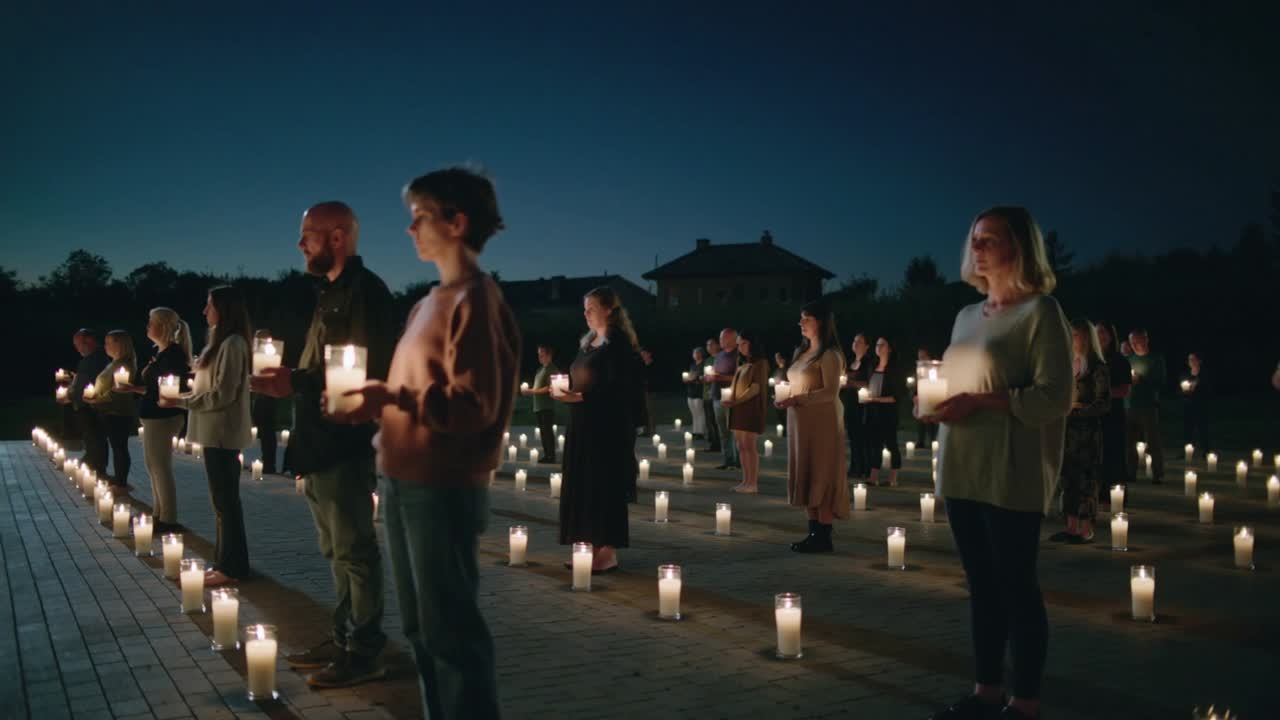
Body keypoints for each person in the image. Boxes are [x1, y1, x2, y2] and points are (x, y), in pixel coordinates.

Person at [331, 168, 514, 719]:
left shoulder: (477, 302)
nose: (410, 230)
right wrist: (375, 405)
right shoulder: (429, 301)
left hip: (443, 486)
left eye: (420, 217)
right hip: (406, 478)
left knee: (450, 630)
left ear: (456, 222)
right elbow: (412, 392)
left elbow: (473, 405)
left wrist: (391, 396)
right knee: (420, 628)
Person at [925, 206, 1071, 720]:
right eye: (974, 239)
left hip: (1011, 467)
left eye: (990, 239)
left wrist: (982, 402)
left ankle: (1025, 701)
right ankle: (986, 690)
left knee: (1016, 585)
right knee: (980, 585)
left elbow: (1055, 395)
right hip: (963, 463)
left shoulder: (1041, 313)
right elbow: (958, 382)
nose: (978, 248)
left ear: (1020, 247)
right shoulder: (965, 316)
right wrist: (937, 403)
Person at [250, 201, 398, 686]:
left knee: (355, 550)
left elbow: (363, 370)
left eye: (307, 234)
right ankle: (344, 636)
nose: (300, 244)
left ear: (337, 237)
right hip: (317, 441)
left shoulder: (366, 293)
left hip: (344, 442)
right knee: (336, 550)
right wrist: (291, 381)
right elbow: (323, 370)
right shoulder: (328, 293)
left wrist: (296, 379)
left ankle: (366, 650)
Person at [161, 286, 254, 588]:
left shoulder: (233, 344)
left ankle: (233, 567)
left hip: (223, 433)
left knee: (226, 501)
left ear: (223, 309)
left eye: (209, 304)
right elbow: (206, 390)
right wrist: (183, 396)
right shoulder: (220, 342)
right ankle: (225, 563)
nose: (204, 311)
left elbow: (222, 394)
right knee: (222, 501)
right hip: (214, 433)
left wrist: (182, 401)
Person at [553, 286, 643, 572]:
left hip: (607, 427)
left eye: (591, 308)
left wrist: (581, 396)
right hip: (582, 423)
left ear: (608, 309)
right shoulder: (588, 342)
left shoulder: (618, 345)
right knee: (583, 484)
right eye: (584, 308)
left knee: (604, 485)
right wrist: (567, 390)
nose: (586, 313)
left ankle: (607, 551)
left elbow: (621, 387)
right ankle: (587, 546)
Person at [776, 301, 849, 553]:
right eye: (801, 318)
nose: (801, 323)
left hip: (822, 421)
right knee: (806, 470)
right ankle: (812, 531)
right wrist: (784, 394)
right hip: (800, 421)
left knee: (822, 471)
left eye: (806, 318)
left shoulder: (830, 355)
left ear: (820, 322)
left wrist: (799, 399)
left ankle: (823, 534)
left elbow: (829, 392)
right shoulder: (801, 352)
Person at [119, 307, 192, 532]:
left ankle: (168, 519)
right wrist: (133, 388)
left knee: (160, 466)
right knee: (153, 466)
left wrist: (143, 389)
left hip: (163, 416)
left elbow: (171, 389)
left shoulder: (173, 354)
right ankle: (159, 513)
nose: (147, 326)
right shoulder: (161, 353)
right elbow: (154, 388)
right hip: (153, 415)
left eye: (151, 322)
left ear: (162, 326)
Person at [1050, 319, 1110, 544]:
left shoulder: (1097, 367)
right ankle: (1070, 526)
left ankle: (1086, 529)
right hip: (1066, 433)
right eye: (1071, 335)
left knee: (1086, 480)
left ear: (1087, 338)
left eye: (1077, 336)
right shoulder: (1068, 364)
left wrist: (1076, 411)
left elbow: (1104, 403)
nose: (1073, 340)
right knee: (1068, 478)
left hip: (1087, 436)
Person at [87, 329, 139, 492]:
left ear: (120, 344)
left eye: (109, 342)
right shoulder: (115, 363)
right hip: (108, 411)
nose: (105, 346)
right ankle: (118, 480)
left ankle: (121, 482)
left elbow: (118, 390)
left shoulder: (124, 364)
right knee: (116, 446)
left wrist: (98, 399)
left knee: (119, 447)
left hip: (118, 412)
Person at [724, 330, 769, 493]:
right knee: (741, 446)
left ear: (752, 344)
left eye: (743, 343)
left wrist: (736, 401)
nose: (740, 347)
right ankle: (745, 480)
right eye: (738, 344)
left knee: (749, 446)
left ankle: (753, 482)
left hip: (750, 409)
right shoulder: (742, 364)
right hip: (738, 409)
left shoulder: (761, 364)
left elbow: (755, 388)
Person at [63, 329, 111, 475]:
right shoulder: (100, 358)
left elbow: (85, 384)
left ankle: (95, 468)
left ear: (89, 341)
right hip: (93, 405)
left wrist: (70, 395)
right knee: (95, 439)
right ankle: (95, 466)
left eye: (79, 344)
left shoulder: (92, 360)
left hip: (89, 407)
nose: (77, 349)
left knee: (94, 438)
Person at [1125, 329, 1166, 484]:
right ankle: (1130, 473)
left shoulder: (1156, 359)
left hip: (1149, 406)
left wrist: (1141, 379)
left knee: (1153, 441)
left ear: (1146, 340)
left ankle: (1157, 474)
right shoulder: (1129, 359)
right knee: (1129, 443)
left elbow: (1161, 382)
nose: (1136, 344)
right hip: (1129, 406)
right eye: (1133, 342)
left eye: (1139, 341)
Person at [1094, 322, 1130, 498]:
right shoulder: (1091, 359)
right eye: (1097, 332)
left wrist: (1103, 394)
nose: (1100, 336)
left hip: (1113, 415)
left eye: (1103, 332)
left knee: (1113, 454)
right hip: (1093, 415)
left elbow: (1124, 390)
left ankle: (1114, 496)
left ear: (1111, 336)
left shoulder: (1120, 361)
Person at [865, 336, 904, 487]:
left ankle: (892, 478)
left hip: (888, 412)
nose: (878, 347)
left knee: (891, 444)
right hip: (873, 411)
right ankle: (872, 477)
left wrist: (877, 400)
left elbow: (896, 396)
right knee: (875, 444)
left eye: (882, 345)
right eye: (877, 344)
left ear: (889, 348)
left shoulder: (894, 369)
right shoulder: (872, 366)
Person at [706, 329, 740, 470]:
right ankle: (728, 460)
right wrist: (708, 378)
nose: (720, 341)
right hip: (716, 396)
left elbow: (739, 377)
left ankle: (738, 461)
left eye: (723, 338)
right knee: (723, 431)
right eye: (720, 338)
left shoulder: (738, 355)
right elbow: (714, 373)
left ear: (733, 339)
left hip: (731, 398)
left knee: (734, 430)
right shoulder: (719, 355)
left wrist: (719, 377)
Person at [521, 343, 561, 464]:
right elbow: (538, 386)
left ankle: (551, 456)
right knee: (543, 432)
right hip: (538, 406)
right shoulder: (540, 369)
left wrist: (532, 391)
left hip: (546, 406)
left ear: (549, 355)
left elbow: (549, 387)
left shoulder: (552, 369)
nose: (539, 357)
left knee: (547, 431)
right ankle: (547, 455)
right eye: (538, 355)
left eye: (542, 355)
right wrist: (528, 390)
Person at [251, 330, 280, 474]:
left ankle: (269, 463)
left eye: (258, 339)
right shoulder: (257, 355)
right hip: (260, 394)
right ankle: (268, 461)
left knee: (267, 430)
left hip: (268, 396)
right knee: (264, 429)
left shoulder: (270, 354)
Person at [842, 334, 871, 478]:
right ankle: (854, 466)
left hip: (862, 405)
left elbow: (869, 383)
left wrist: (851, 383)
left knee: (861, 437)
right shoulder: (851, 362)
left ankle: (864, 467)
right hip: (850, 403)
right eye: (854, 340)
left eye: (859, 341)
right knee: (852, 437)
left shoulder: (868, 363)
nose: (856, 343)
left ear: (866, 346)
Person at [1180, 352, 1210, 457]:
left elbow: (1208, 389)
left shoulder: (1204, 374)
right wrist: (1185, 390)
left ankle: (1206, 451)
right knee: (1187, 429)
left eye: (1193, 359)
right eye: (1189, 359)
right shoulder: (1185, 374)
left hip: (1201, 405)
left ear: (1199, 361)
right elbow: (1180, 388)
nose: (1191, 361)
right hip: (1188, 405)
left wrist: (1197, 387)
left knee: (1203, 429)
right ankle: (1187, 452)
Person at [915, 348, 940, 449]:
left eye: (923, 356)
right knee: (921, 420)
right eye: (919, 357)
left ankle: (933, 440)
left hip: (932, 396)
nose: (921, 359)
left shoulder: (933, 369)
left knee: (931, 419)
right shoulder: (920, 369)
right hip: (921, 397)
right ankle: (921, 440)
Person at [702, 337, 722, 452]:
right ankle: (714, 443)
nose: (708, 347)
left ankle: (720, 444)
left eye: (711, 344)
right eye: (707, 345)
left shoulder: (721, 358)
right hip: (706, 394)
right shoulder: (708, 360)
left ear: (718, 345)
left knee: (717, 421)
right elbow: (705, 376)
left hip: (716, 394)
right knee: (710, 420)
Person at [684, 347, 708, 438]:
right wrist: (687, 379)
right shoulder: (692, 365)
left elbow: (702, 377)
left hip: (699, 391)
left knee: (700, 412)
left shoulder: (704, 364)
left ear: (701, 354)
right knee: (694, 413)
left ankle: (701, 432)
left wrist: (696, 378)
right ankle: (695, 431)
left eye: (697, 353)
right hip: (691, 391)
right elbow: (691, 376)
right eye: (694, 353)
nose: (695, 355)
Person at [639, 347, 658, 436]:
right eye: (641, 354)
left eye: (644, 353)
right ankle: (645, 430)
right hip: (642, 391)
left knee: (650, 411)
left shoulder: (653, 365)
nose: (642, 355)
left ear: (649, 354)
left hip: (650, 391)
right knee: (643, 411)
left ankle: (652, 430)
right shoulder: (641, 365)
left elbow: (653, 379)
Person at [772, 351, 791, 436]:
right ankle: (782, 431)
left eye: (779, 357)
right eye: (776, 358)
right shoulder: (777, 370)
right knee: (779, 415)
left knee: (786, 415)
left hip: (786, 395)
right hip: (777, 395)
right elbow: (774, 383)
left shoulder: (788, 370)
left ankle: (787, 431)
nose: (777, 360)